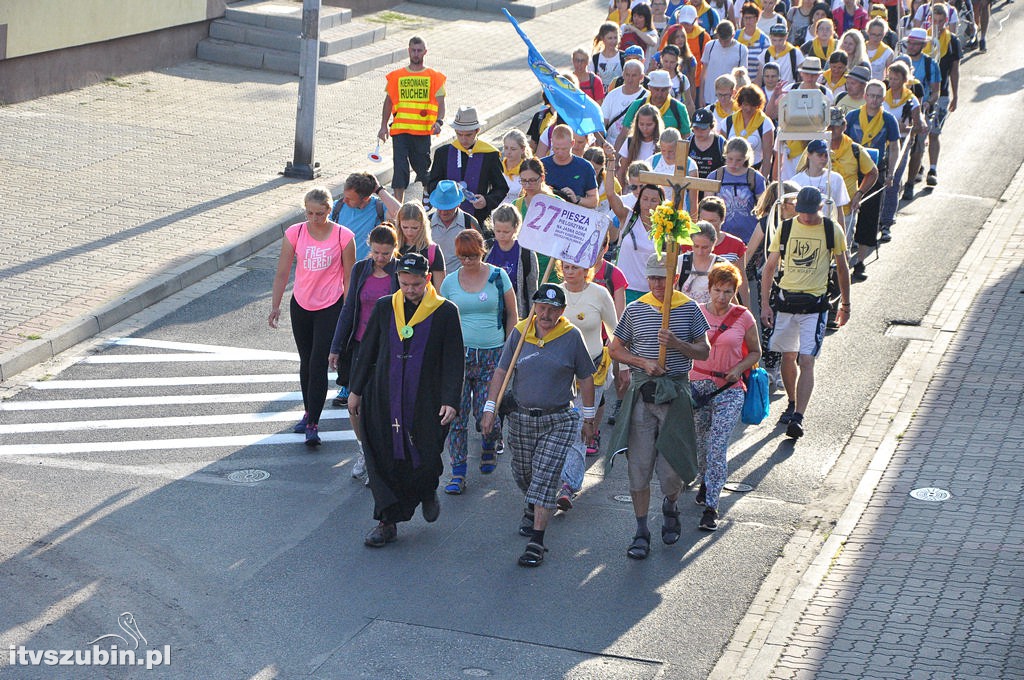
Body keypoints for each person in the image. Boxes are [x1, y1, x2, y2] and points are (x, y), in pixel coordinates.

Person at [348, 252, 464, 547]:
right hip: (384, 398)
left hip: (426, 401)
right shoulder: (386, 307)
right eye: (404, 283)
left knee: (425, 458)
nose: (410, 290)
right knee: (383, 459)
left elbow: (453, 360)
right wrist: (356, 390)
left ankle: (427, 489)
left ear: (427, 279)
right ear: (397, 278)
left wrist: (451, 399)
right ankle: (386, 522)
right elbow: (368, 351)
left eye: (415, 284)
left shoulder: (445, 312)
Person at [479, 284, 597, 567]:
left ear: (562, 311)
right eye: (541, 307)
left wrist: (589, 417)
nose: (546, 314)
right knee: (523, 473)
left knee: (545, 476)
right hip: (521, 417)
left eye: (553, 309)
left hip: (558, 418)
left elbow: (586, 378)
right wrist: (490, 408)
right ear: (533, 306)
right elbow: (502, 370)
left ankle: (537, 541)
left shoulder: (571, 336)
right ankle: (532, 505)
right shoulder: (520, 333)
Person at [607, 253, 711, 558]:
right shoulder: (636, 310)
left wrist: (678, 344)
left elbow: (704, 352)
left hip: (676, 394)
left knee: (671, 471)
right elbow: (615, 349)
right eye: (652, 278)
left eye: (662, 278)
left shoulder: (689, 309)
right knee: (638, 468)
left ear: (674, 278)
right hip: (643, 393)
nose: (656, 284)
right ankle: (641, 530)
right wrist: (642, 362)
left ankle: (670, 503)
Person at [759, 186, 851, 440]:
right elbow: (769, 268)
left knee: (806, 360)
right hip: (787, 302)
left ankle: (798, 416)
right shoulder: (786, 228)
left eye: (811, 212)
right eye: (803, 212)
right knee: (787, 358)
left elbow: (842, 269)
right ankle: (791, 401)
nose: (807, 217)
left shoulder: (832, 230)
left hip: (815, 305)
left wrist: (845, 304)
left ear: (820, 208)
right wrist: (766, 304)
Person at [269, 187, 356, 447]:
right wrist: (276, 306)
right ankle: (308, 411)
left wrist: (347, 310)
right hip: (302, 304)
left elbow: (349, 276)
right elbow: (283, 272)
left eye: (320, 213)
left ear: (330, 211)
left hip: (330, 306)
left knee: (319, 363)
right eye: (309, 213)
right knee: (306, 362)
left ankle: (313, 423)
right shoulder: (294, 233)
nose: (314, 219)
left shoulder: (343, 236)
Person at [439, 230, 518, 494]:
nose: (468, 261)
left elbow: (512, 313)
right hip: (458, 356)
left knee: (488, 411)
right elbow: (442, 319)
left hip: (492, 354)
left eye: (472, 256)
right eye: (462, 257)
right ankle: (458, 471)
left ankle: (490, 441)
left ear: (482, 251)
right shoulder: (449, 283)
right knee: (456, 416)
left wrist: (509, 346)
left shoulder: (497, 276)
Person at [689, 261, 762, 530]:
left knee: (718, 445)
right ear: (709, 288)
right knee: (700, 443)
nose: (722, 297)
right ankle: (705, 479)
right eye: (718, 290)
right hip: (697, 387)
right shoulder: (694, 313)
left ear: (735, 292)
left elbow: (756, 352)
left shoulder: (743, 317)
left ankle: (711, 505)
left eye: (728, 292)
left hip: (728, 390)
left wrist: (739, 368)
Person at [329, 224, 400, 481]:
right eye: (376, 253)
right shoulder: (361, 268)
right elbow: (349, 308)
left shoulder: (399, 272)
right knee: (354, 404)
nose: (380, 258)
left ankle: (377, 458)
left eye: (386, 254)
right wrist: (336, 347)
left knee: (380, 406)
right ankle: (363, 450)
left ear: (395, 250)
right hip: (359, 345)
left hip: (387, 348)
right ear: (369, 248)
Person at [557, 260, 619, 505]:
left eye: (575, 267)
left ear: (586, 270)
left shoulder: (600, 294)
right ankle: (556, 471)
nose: (570, 272)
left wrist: (623, 368)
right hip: (560, 372)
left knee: (579, 426)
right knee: (560, 425)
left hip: (593, 370)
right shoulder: (554, 293)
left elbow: (616, 332)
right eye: (566, 267)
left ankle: (568, 485)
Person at [745, 180, 799, 389]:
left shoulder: (801, 223)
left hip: (793, 279)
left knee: (785, 323)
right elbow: (749, 252)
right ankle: (771, 368)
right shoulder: (767, 223)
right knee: (769, 322)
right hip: (769, 277)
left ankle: (780, 366)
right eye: (793, 200)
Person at [844, 79, 899, 282]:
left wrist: (891, 173)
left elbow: (894, 147)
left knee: (869, 216)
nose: (874, 100)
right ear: (865, 96)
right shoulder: (852, 117)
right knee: (846, 211)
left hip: (875, 170)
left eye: (878, 96)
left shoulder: (888, 120)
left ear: (883, 98)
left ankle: (859, 262)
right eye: (871, 95)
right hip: (851, 170)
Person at [379, 37, 446, 203]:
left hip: (422, 132)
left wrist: (439, 122)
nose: (416, 54)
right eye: (413, 50)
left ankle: (427, 192)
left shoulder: (433, 77)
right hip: (400, 131)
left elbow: (441, 103)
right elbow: (388, 102)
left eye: (419, 50)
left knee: (422, 167)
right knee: (400, 168)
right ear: (408, 51)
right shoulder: (397, 77)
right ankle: (397, 206)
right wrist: (383, 127)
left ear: (425, 52)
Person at [604, 143, 667, 301]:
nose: (648, 204)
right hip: (623, 289)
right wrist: (611, 161)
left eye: (653, 200)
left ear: (660, 203)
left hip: (652, 293)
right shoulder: (628, 217)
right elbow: (610, 194)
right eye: (644, 199)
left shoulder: (667, 226)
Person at [426, 106, 508, 224]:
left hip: (478, 219)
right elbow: (432, 184)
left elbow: (501, 187)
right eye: (459, 134)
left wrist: (486, 200)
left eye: (468, 135)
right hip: (446, 218)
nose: (463, 139)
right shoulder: (443, 153)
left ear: (477, 130)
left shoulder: (489, 155)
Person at [879, 61, 926, 238]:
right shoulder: (883, 96)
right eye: (890, 78)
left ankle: (887, 221)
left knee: (893, 179)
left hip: (900, 143)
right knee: (880, 179)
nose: (892, 82)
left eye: (896, 79)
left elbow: (917, 126)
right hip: (882, 142)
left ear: (904, 80)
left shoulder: (910, 99)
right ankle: (878, 215)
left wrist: (903, 128)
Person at [923, 3, 961, 189]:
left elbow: (954, 70)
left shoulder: (952, 41)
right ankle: (918, 167)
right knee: (919, 134)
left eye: (941, 21)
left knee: (934, 132)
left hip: (942, 94)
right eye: (934, 20)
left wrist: (955, 94)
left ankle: (932, 169)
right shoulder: (922, 39)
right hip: (922, 94)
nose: (937, 25)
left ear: (946, 21)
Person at [328, 173, 401, 259]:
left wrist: (379, 190)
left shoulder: (379, 208)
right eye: (344, 196)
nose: (344, 200)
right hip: (342, 269)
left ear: (365, 198)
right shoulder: (337, 207)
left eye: (350, 199)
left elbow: (402, 215)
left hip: (368, 269)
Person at [709, 136, 766, 244]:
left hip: (749, 238)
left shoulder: (755, 178)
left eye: (738, 160)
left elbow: (763, 209)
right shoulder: (715, 176)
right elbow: (707, 206)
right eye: (730, 159)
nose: (733, 164)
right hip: (720, 239)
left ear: (746, 158)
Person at [485, 204, 538, 319]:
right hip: (489, 311)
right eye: (498, 231)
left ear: (515, 228)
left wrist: (532, 317)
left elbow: (532, 290)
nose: (501, 235)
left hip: (518, 312)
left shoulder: (526, 253)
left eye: (506, 232)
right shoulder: (486, 248)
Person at [617, 70, 693, 149]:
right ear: (649, 88)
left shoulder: (679, 108)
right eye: (656, 89)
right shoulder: (637, 105)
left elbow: (685, 137)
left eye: (663, 90)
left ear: (669, 89)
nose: (659, 94)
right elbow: (623, 135)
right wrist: (615, 159)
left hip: (669, 156)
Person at [791, 138, 851, 231]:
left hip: (827, 229)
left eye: (826, 155)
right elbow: (792, 211)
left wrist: (842, 238)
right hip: (802, 230)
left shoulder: (836, 179)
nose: (824, 159)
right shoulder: (796, 180)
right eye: (820, 155)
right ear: (809, 155)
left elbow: (839, 211)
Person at [717, 84, 775, 176]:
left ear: (758, 105)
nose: (748, 109)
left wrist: (763, 179)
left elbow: (768, 157)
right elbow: (721, 154)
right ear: (740, 104)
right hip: (731, 172)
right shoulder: (728, 122)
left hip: (754, 172)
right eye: (745, 104)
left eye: (752, 105)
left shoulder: (765, 123)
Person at [542, 124, 600, 209]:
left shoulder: (585, 167)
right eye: (556, 148)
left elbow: (594, 201)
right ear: (551, 142)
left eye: (564, 149)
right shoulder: (541, 165)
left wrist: (576, 199)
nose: (560, 152)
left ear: (572, 143)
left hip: (572, 216)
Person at [677, 220, 730, 303]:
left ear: (714, 243)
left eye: (705, 247)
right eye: (696, 246)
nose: (699, 252)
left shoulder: (722, 265)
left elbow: (729, 296)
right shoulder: (680, 262)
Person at [396, 201, 446, 288]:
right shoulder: (394, 247)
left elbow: (439, 290)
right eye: (405, 227)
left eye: (414, 228)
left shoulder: (432, 250)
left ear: (423, 225)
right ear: (399, 224)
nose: (409, 232)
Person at [700, 21, 749, 108]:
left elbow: (742, 77)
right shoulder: (710, 46)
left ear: (733, 36)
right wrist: (701, 96)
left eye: (726, 41)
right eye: (720, 40)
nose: (723, 43)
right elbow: (703, 72)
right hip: (709, 96)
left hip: (730, 99)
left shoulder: (742, 50)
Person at [602, 61, 648, 151]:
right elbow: (603, 122)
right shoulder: (612, 95)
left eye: (634, 75)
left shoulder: (647, 97)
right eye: (627, 75)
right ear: (623, 75)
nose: (630, 79)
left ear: (642, 77)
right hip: (610, 146)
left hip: (635, 147)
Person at [617, 104, 665, 186]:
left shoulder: (662, 143)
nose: (645, 128)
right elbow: (622, 171)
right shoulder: (630, 141)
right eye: (641, 124)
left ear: (656, 124)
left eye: (649, 125)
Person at [687, 108, 728, 179]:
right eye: (696, 128)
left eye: (703, 128)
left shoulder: (720, 143)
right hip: (692, 186)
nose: (699, 132)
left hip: (715, 186)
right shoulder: (688, 143)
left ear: (711, 127)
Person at [736, 2, 770, 82]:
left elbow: (765, 63)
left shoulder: (764, 40)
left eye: (750, 18)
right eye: (745, 18)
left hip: (755, 82)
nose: (748, 21)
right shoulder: (736, 36)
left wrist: (757, 84)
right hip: (736, 83)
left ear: (756, 19)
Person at [500, 129, 532, 206]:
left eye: (513, 149)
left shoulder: (529, 170)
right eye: (506, 148)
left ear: (522, 149)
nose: (508, 152)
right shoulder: (498, 167)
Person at [593, 22, 626, 89]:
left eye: (615, 38)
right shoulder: (596, 58)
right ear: (603, 38)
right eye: (610, 38)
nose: (613, 41)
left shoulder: (623, 56)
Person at [863, 17, 895, 81]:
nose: (876, 38)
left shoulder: (888, 52)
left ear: (884, 34)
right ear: (868, 32)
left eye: (879, 35)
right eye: (873, 34)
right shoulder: (861, 48)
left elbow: (889, 75)